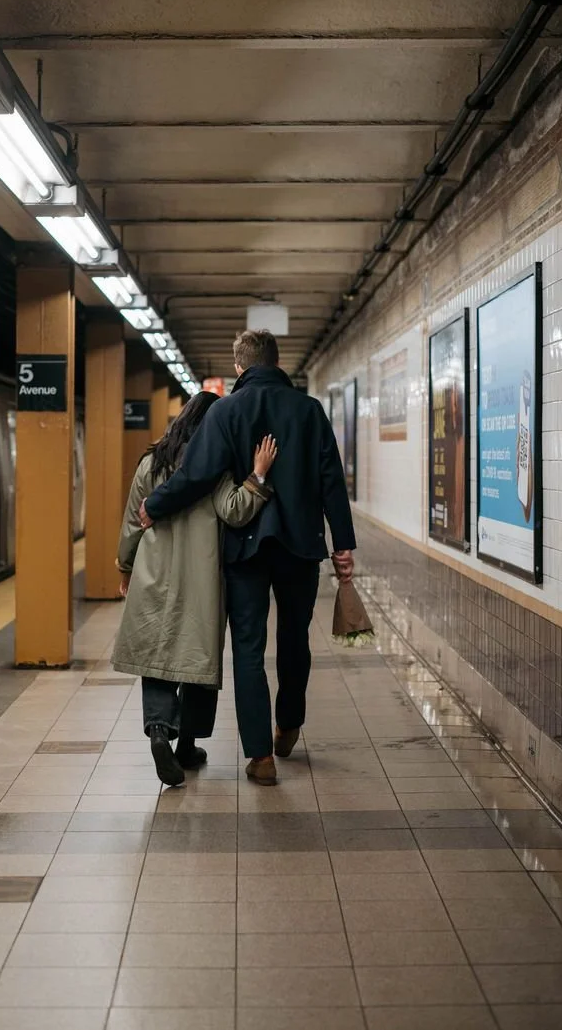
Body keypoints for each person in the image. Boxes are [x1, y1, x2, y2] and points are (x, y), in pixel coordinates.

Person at [141, 330, 356, 785]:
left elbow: (196, 475)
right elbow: (332, 481)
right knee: (295, 640)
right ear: (278, 362)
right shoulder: (309, 411)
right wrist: (343, 544)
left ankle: (260, 757)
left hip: (245, 548)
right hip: (301, 547)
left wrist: (153, 505)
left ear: (238, 367)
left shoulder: (226, 410)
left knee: (248, 650)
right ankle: (289, 723)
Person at [112, 390, 278, 787]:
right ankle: (186, 744)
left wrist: (125, 566)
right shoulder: (217, 469)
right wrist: (258, 474)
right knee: (197, 663)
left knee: (156, 658)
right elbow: (236, 512)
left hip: (153, 575)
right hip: (200, 582)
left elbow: (133, 521)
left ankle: (158, 732)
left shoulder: (151, 463)